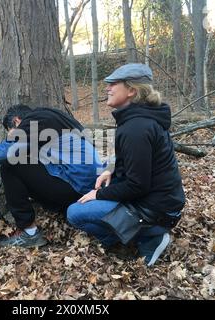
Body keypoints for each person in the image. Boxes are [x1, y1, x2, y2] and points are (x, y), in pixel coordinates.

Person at [67, 63, 185, 266]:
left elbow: (138, 185)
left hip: (157, 210)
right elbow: (130, 157)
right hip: (163, 201)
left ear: (132, 90)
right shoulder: (139, 118)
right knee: (93, 188)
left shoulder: (136, 128)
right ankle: (125, 235)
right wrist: (109, 169)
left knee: (74, 212)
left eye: (114, 83)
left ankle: (149, 237)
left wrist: (99, 195)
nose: (108, 88)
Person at [0, 104, 102, 248]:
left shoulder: (35, 121)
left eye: (10, 132)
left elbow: (5, 151)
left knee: (11, 165)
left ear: (16, 121)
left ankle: (30, 233)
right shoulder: (53, 118)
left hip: (76, 186)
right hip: (89, 186)